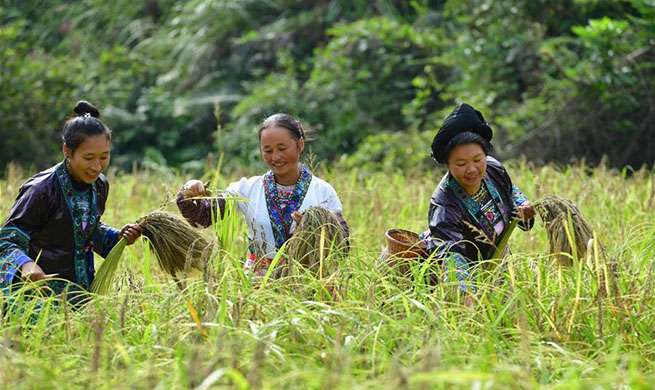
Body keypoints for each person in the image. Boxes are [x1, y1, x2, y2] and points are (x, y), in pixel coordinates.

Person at [0, 101, 142, 303]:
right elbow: (7, 240)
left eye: (104, 157)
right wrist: (26, 264)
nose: (97, 166)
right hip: (38, 295)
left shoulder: (99, 185)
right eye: (89, 157)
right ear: (67, 150)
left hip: (80, 293)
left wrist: (117, 236)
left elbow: (86, 229)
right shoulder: (41, 190)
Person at [177, 113, 349, 280]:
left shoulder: (323, 191)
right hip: (258, 284)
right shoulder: (247, 189)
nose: (276, 157)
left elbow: (342, 245)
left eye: (282, 148)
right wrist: (189, 192)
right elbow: (204, 216)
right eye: (267, 150)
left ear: (300, 145)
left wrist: (310, 228)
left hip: (309, 282)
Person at [423, 103, 535, 293]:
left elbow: (510, 192)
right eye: (461, 163)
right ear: (448, 165)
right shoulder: (443, 203)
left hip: (497, 266)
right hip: (455, 276)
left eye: (477, 160)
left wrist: (523, 206)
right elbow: (452, 257)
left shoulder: (494, 169)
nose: (472, 170)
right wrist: (466, 295)